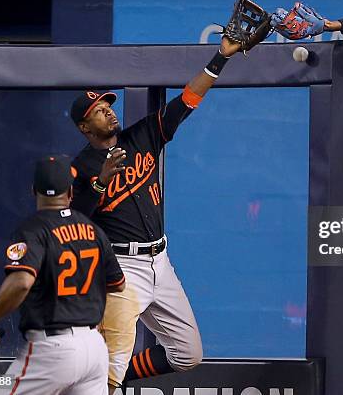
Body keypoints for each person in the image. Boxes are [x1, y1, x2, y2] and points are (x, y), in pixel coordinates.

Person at [70, 36, 243, 393]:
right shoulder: (81, 166)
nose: (109, 111)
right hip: (122, 269)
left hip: (160, 262)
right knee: (111, 369)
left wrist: (220, 57)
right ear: (85, 128)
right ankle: (102, 377)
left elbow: (187, 102)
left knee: (187, 353)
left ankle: (104, 374)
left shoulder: (141, 136)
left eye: (108, 105)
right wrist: (101, 182)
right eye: (99, 111)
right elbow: (76, 221)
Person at [0, 155, 125, 395]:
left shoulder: (33, 229)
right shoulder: (94, 230)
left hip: (53, 349)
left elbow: (21, 282)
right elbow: (117, 284)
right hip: (94, 348)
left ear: (33, 190)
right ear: (70, 192)